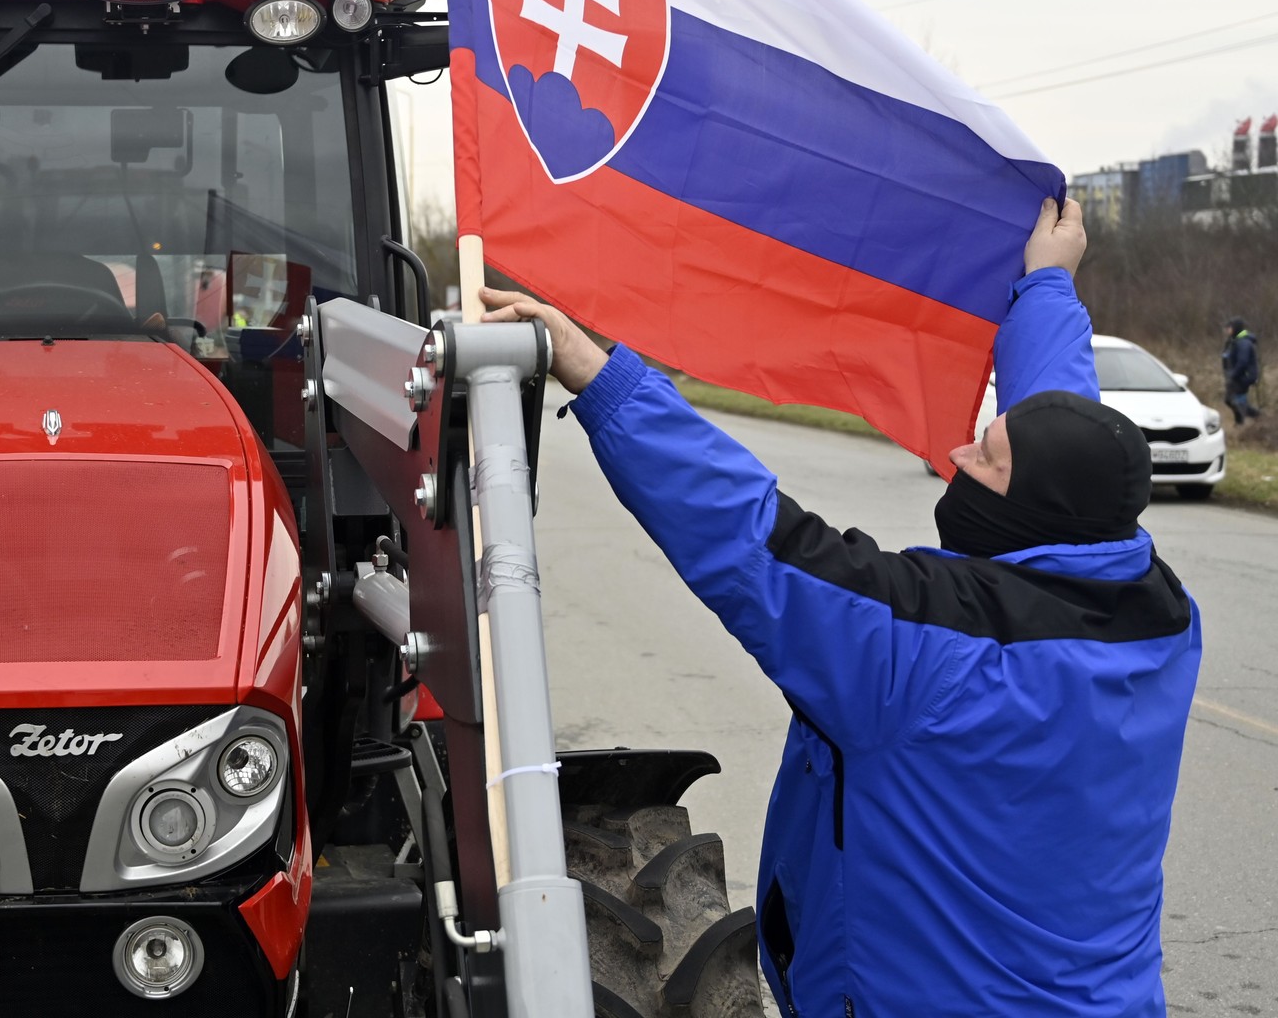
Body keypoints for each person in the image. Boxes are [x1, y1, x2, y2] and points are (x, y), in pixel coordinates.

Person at [481, 198, 1200, 1017]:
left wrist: (597, 371)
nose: (958, 457)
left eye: (986, 459)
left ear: (1032, 503)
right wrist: (1046, 288)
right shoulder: (1162, 616)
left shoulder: (924, 654)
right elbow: (1060, 445)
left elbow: (752, 539)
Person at [1222, 316, 1260, 425]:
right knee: (1230, 399)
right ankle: (1257, 416)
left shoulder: (1243, 343)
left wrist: (1233, 374)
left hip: (1243, 376)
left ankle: (1240, 424)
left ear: (1235, 328)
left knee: (1238, 400)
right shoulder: (1235, 341)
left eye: (1229, 328)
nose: (1227, 330)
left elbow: (1242, 362)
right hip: (1238, 376)